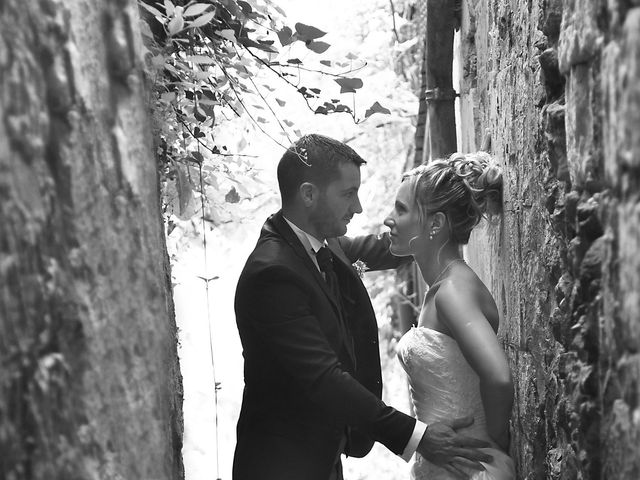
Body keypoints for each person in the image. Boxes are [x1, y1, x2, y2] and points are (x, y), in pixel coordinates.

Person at [233, 134, 493, 480]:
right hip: (282, 463)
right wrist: (416, 436)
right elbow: (324, 378)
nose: (357, 207)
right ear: (308, 194)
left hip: (322, 457)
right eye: (347, 194)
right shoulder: (272, 273)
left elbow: (393, 246)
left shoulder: (326, 247)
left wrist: (460, 196)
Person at [384, 152, 516, 480]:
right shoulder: (442, 288)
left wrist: (494, 441)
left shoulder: (453, 291)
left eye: (400, 210)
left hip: (471, 469)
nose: (388, 219)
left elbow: (499, 378)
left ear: (436, 224)